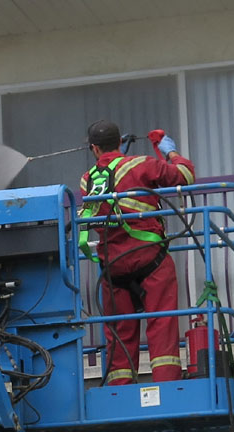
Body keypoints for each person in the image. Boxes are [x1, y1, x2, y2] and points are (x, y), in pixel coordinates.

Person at [77, 120, 194, 386]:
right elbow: (185, 176)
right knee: (162, 324)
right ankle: (167, 385)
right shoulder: (142, 164)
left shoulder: (88, 180)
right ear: (120, 142)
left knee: (119, 333)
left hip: (113, 268)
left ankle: (120, 391)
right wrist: (169, 151)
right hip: (150, 259)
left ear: (94, 148)